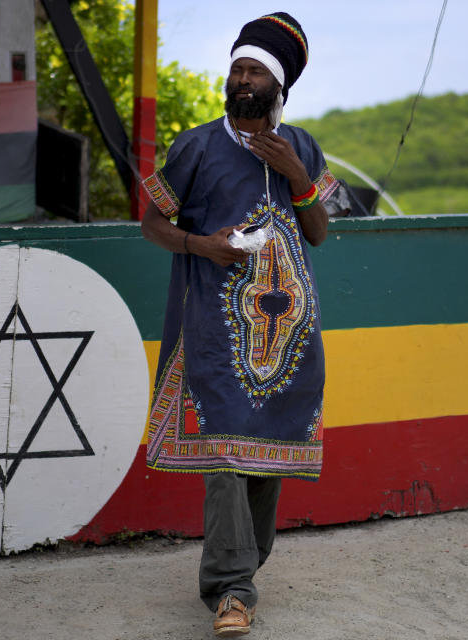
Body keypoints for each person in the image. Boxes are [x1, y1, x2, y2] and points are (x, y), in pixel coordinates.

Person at [139, 13, 338, 637]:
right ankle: (230, 589)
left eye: (255, 71)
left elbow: (320, 232)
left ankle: (244, 575)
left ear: (279, 86)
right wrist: (202, 245)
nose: (242, 80)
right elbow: (152, 224)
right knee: (226, 452)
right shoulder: (196, 146)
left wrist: (298, 176)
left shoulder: (302, 146)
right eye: (237, 69)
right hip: (216, 331)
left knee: (266, 458)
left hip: (288, 338)